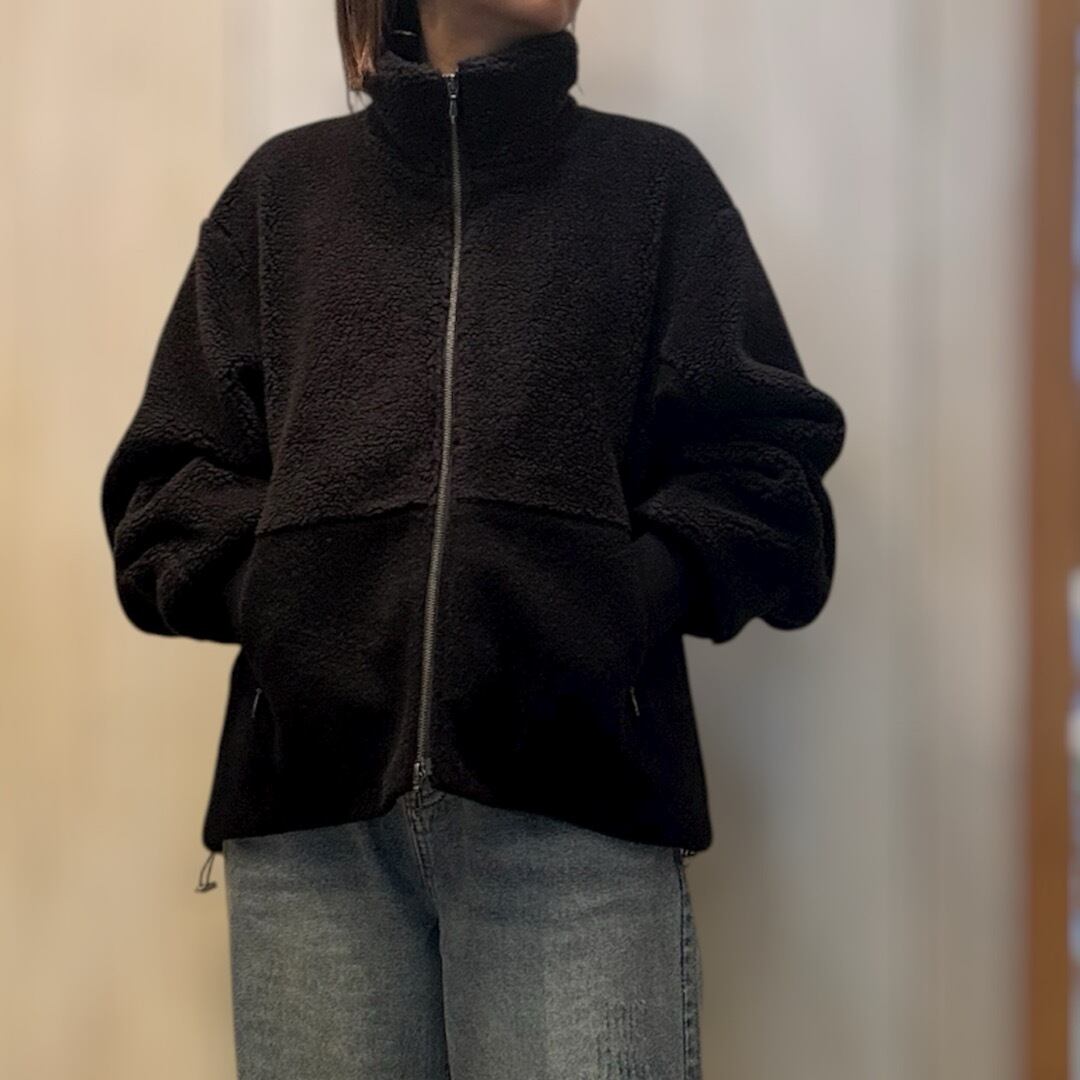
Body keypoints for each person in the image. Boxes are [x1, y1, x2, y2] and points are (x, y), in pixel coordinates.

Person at [99, 0, 846, 1075]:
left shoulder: (652, 189)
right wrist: (284, 601)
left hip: (575, 822)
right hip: (314, 837)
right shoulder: (283, 197)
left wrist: (629, 594)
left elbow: (769, 474)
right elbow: (167, 486)